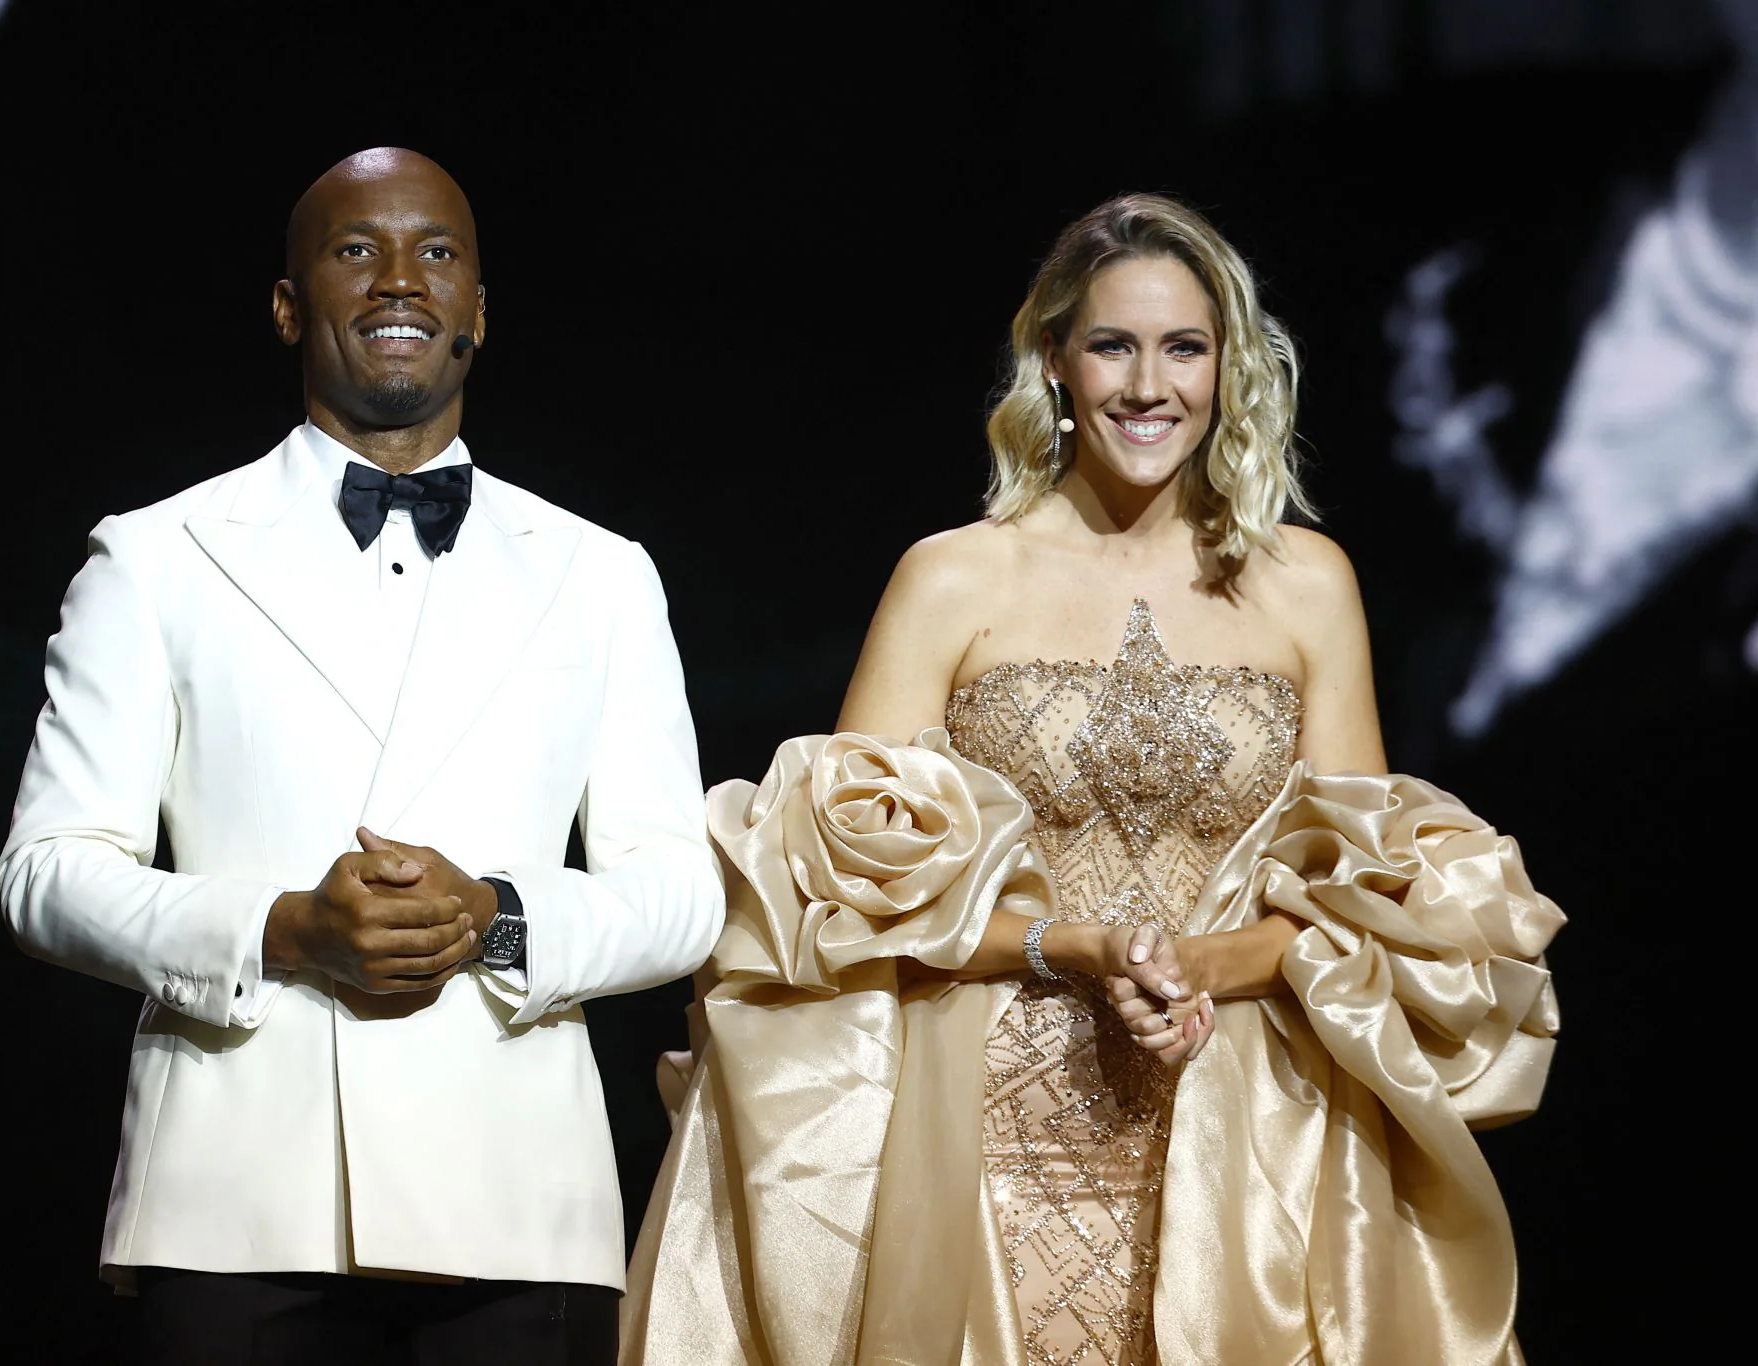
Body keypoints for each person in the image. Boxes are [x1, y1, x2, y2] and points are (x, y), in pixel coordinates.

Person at [622, 194, 1562, 1366]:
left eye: (1185, 347)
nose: (1147, 385)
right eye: (1113, 345)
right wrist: (1075, 945)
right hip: (985, 1144)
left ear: (1229, 368)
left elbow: (1354, 895)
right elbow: (843, 893)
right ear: (1056, 361)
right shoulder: (953, 580)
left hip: (1246, 1130)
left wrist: (1197, 968)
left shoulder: (1307, 583)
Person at [0, 146, 724, 1365]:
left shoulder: (601, 573)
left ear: (478, 313)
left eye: (436, 253)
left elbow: (680, 891)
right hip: (236, 1196)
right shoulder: (156, 555)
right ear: (290, 305)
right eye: (356, 250)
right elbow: (48, 870)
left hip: (514, 1200)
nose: (399, 280)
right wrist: (284, 929)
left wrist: (491, 916)